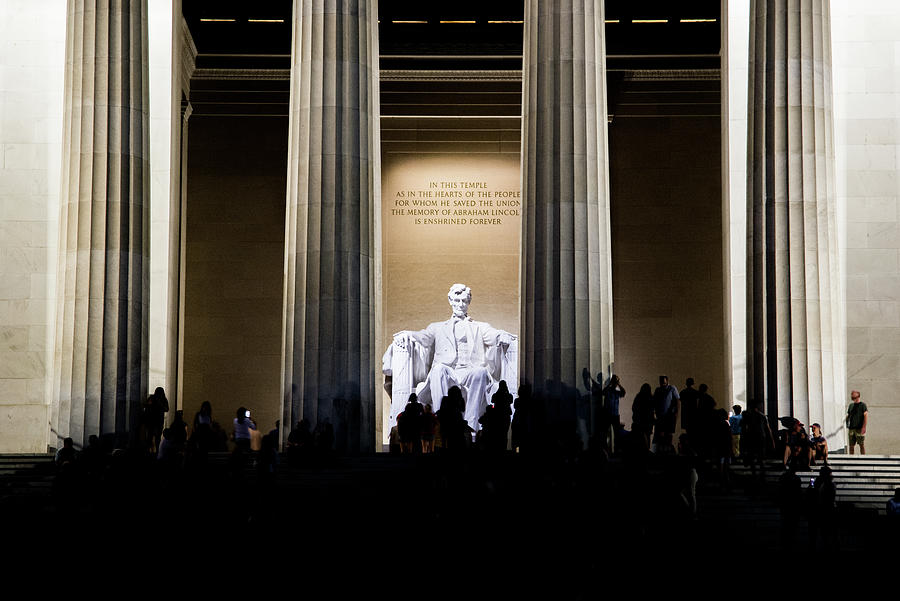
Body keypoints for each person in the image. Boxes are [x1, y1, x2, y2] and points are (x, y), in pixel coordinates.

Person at [386, 283, 514, 433]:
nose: (461, 304)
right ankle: (441, 423)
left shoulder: (480, 326)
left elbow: (493, 335)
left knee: (480, 372)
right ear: (451, 301)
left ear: (468, 303)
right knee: (438, 369)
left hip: (469, 370)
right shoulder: (437, 327)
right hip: (449, 371)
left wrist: (502, 335)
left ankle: (471, 425)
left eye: (464, 301)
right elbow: (423, 337)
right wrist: (407, 334)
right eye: (457, 300)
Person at [652, 375, 679, 450]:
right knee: (660, 434)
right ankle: (661, 450)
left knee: (669, 434)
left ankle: (668, 449)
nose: (662, 384)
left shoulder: (672, 388)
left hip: (669, 416)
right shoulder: (658, 390)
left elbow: (677, 401)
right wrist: (654, 413)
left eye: (663, 382)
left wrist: (676, 413)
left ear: (667, 381)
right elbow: (654, 401)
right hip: (660, 416)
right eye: (661, 382)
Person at [846, 390, 867, 455]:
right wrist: (847, 423)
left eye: (853, 396)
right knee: (851, 445)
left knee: (861, 444)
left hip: (859, 428)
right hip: (851, 428)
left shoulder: (863, 405)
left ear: (858, 396)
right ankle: (851, 459)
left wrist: (864, 427)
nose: (852, 397)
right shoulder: (851, 405)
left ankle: (863, 458)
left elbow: (865, 416)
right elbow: (848, 415)